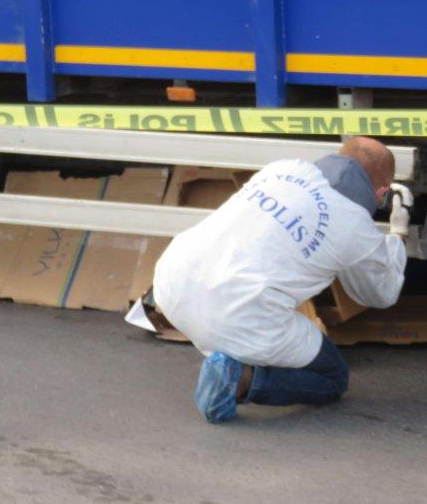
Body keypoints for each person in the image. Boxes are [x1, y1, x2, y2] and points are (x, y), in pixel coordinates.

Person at [153, 137, 409, 423]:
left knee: (240, 320)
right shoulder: (355, 225)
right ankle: (242, 380)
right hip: (235, 312)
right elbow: (381, 294)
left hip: (171, 282)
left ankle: (229, 355)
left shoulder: (283, 168)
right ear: (383, 192)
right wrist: (397, 234)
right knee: (332, 377)